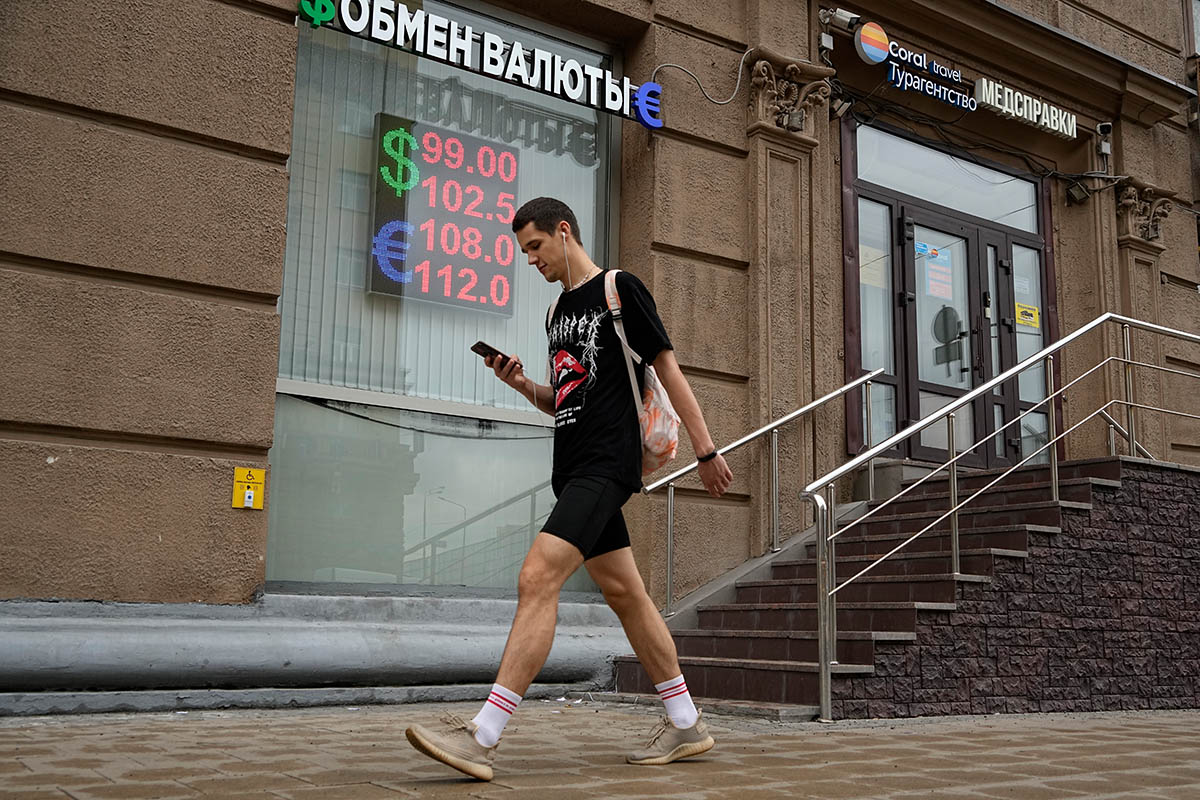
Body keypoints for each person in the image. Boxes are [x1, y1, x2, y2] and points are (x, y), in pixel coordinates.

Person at [405, 197, 734, 781]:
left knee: (537, 577)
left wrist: (707, 450)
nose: (530, 260)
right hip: (574, 468)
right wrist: (523, 383)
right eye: (523, 252)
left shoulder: (619, 289)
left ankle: (483, 736)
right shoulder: (558, 312)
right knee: (626, 595)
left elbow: (667, 369)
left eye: (535, 246)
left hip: (608, 465)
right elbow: (566, 399)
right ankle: (686, 722)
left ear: (563, 232)